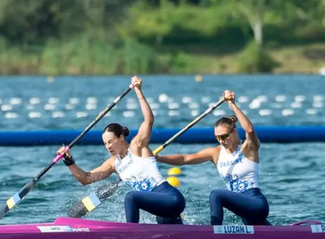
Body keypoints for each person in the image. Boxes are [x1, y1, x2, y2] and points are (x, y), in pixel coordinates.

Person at [57, 76, 185, 225]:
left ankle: (130, 233)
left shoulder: (137, 147)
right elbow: (86, 179)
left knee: (131, 197)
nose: (108, 146)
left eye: (111, 141)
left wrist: (138, 90)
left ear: (122, 137)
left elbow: (149, 120)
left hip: (171, 198)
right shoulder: (113, 164)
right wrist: (69, 161)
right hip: (160, 210)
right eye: (105, 143)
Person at [156, 89, 271, 226]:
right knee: (267, 233)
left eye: (224, 136)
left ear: (234, 131)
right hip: (243, 210)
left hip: (256, 203)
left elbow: (250, 130)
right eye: (217, 137)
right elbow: (185, 159)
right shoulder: (215, 153)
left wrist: (232, 104)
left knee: (216, 195)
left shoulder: (248, 148)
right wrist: (159, 158)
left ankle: (215, 229)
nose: (221, 140)